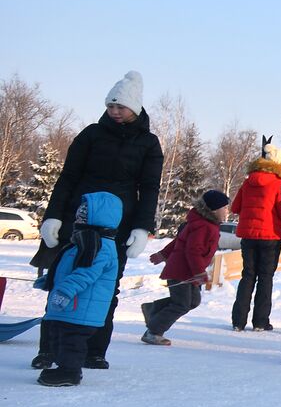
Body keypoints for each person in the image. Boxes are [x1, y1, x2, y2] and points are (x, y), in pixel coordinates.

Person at [31, 70, 163, 371]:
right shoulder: (91, 134)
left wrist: (142, 227)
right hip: (77, 218)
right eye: (110, 106)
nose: (115, 111)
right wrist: (53, 217)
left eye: (121, 106)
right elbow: (68, 178)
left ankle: (94, 350)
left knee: (106, 285)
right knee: (61, 280)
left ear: (135, 108)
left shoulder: (149, 144)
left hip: (117, 225)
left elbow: (150, 187)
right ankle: (48, 350)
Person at [33, 192, 122, 387]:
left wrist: (64, 291)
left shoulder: (98, 245)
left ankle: (70, 372)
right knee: (57, 336)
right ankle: (62, 368)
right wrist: (51, 280)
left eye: (84, 214)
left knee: (71, 341)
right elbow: (69, 269)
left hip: (80, 307)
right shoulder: (85, 240)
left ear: (100, 217)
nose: (78, 217)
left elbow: (86, 273)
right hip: (72, 306)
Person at [141, 190, 229, 345]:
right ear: (214, 210)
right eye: (225, 208)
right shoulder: (203, 226)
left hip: (189, 271)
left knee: (193, 301)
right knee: (181, 304)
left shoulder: (206, 224)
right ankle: (153, 332)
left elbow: (179, 241)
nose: (227, 211)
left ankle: (153, 309)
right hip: (182, 271)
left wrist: (163, 254)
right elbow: (192, 250)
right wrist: (199, 272)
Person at [229, 137, 281, 332]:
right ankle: (261, 322)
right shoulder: (278, 184)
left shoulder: (248, 183)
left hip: (248, 236)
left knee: (247, 275)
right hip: (270, 237)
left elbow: (235, 207)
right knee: (265, 277)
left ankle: (238, 321)